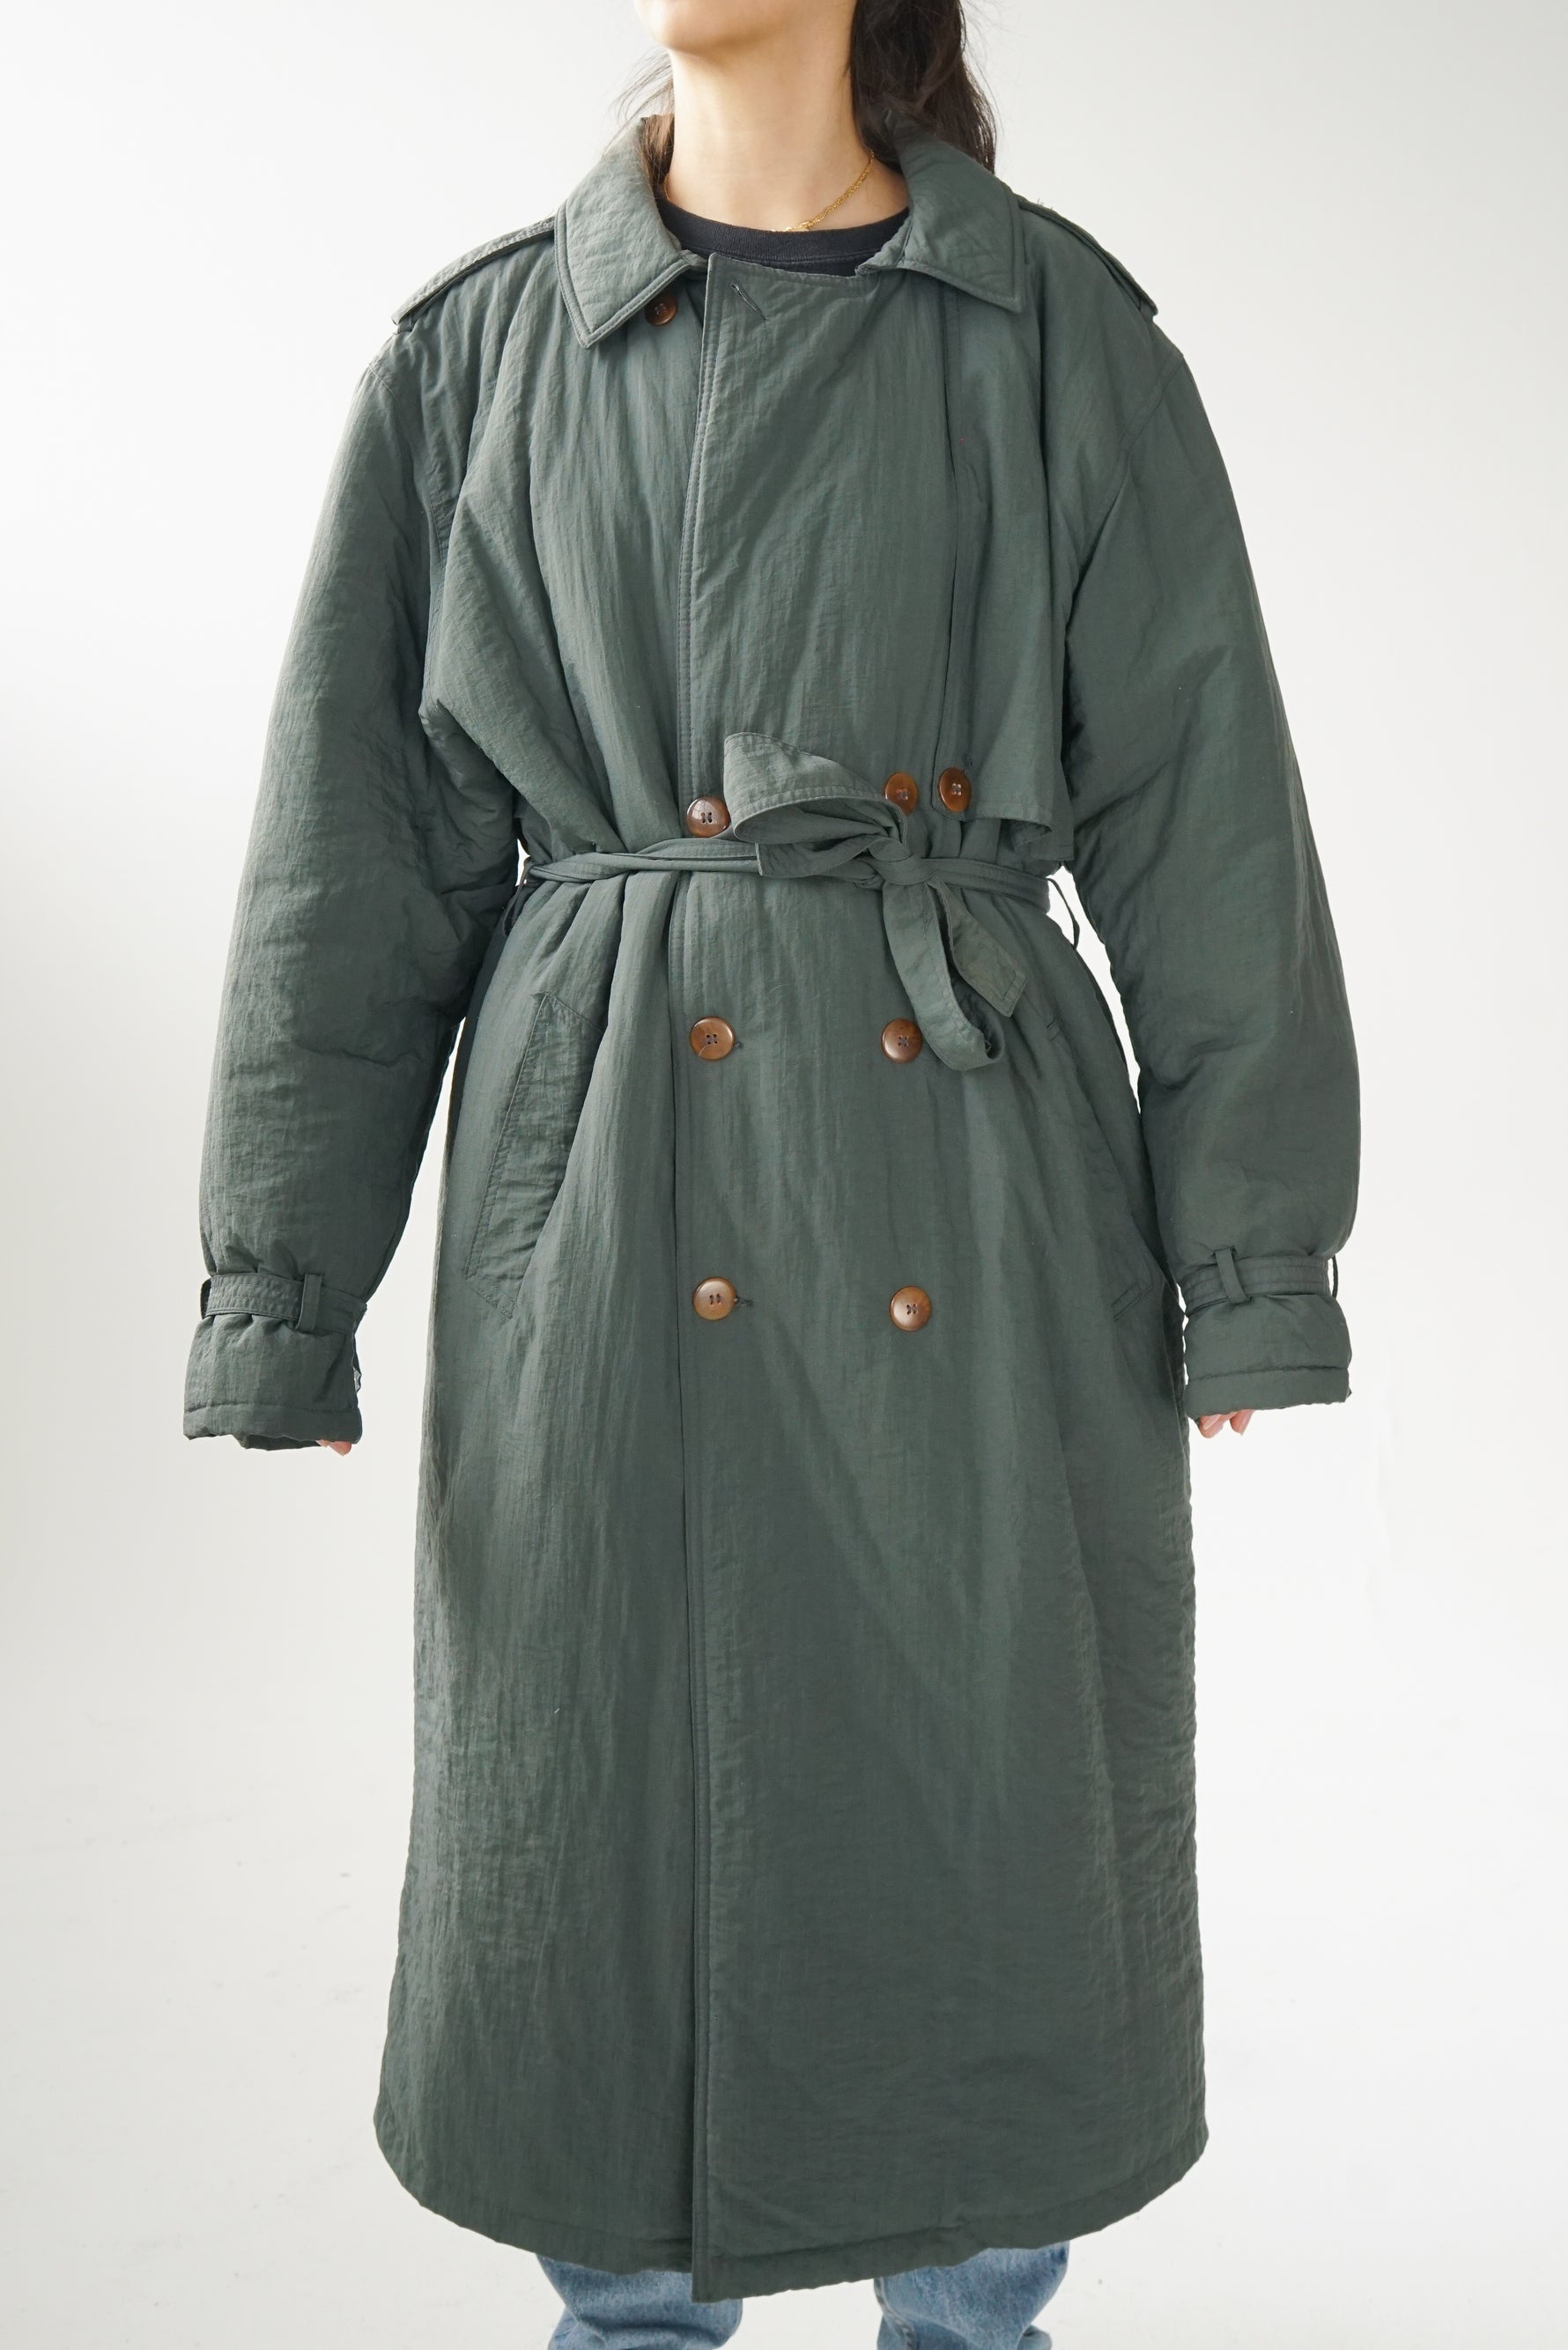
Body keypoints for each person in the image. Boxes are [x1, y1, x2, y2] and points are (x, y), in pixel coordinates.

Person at [182, 0, 1359, 2340]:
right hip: (606, 1185)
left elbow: (1204, 805)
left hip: (973, 1179)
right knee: (600, 1806)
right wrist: (281, 1282)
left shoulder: (1056, 332)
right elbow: (354, 853)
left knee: (985, 1790)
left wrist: (1247, 1261)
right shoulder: (481, 351)